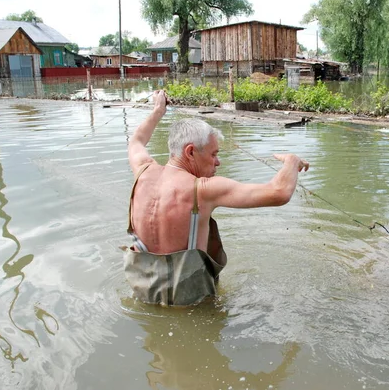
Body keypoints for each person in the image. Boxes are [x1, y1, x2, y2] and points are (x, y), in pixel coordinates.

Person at [123, 90, 309, 306]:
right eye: (213, 154)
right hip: (193, 306)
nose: (218, 162)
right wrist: (292, 161)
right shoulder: (202, 190)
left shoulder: (142, 171)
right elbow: (279, 193)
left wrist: (158, 111)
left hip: (146, 299)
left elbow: (136, 141)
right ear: (190, 152)